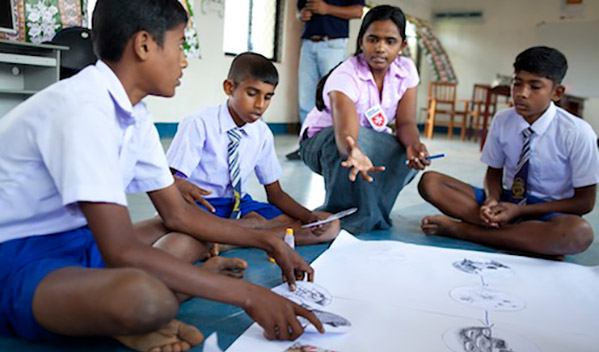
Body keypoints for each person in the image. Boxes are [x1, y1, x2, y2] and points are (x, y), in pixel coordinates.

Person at [0, 1, 323, 350]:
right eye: (181, 43)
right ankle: (141, 306)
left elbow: (179, 214)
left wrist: (269, 239)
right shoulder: (83, 110)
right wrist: (248, 295)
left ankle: (140, 303)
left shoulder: (134, 115)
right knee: (147, 300)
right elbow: (121, 249)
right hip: (15, 258)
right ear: (143, 45)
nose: (184, 59)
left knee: (185, 230)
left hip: (79, 244)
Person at [418, 46, 598, 256]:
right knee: (431, 182)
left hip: (549, 210)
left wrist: (521, 211)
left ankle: (464, 231)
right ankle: (522, 236)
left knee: (578, 234)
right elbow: (494, 171)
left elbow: (585, 202)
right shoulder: (503, 120)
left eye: (535, 87)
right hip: (506, 200)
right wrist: (491, 200)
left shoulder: (577, 132)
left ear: (556, 93)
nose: (522, 94)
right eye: (517, 83)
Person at [166, 52, 339, 246]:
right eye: (252, 93)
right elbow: (169, 181)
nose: (260, 105)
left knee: (331, 225)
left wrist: (310, 218)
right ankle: (248, 232)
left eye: (267, 97)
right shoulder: (199, 124)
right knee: (180, 240)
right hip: (203, 206)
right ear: (229, 87)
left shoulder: (262, 133)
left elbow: (275, 194)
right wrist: (183, 190)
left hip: (239, 205)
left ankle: (231, 237)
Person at [298, 5, 431, 234]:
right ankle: (341, 216)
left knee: (401, 151)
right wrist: (354, 151)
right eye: (373, 39)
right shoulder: (346, 76)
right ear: (361, 41)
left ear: (403, 46)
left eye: (390, 41)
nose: (380, 48)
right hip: (325, 143)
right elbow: (345, 134)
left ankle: (369, 214)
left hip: (364, 138)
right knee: (359, 144)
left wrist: (413, 146)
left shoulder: (406, 70)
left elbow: (406, 123)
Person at [286, 0, 364, 160]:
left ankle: (338, 145)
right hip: (308, 43)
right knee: (305, 97)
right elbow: (300, 10)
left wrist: (327, 9)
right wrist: (302, 15)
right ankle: (305, 145)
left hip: (333, 44)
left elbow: (357, 11)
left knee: (335, 96)